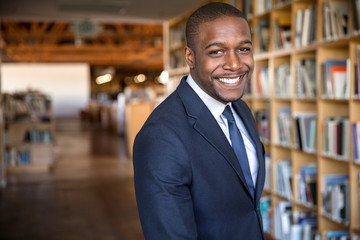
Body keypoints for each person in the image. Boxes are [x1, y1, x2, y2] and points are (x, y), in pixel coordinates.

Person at [133, 2, 265, 239]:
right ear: (190, 57)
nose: (235, 64)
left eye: (244, 49)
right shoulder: (161, 136)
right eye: (217, 52)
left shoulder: (241, 109)